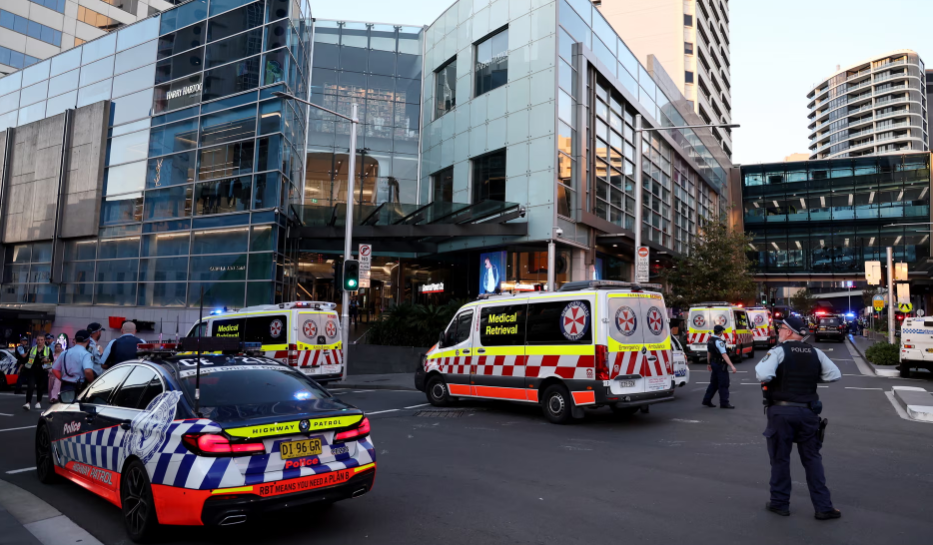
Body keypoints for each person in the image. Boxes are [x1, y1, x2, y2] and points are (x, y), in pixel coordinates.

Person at [756, 315, 842, 520]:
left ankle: (780, 503)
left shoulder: (778, 351)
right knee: (812, 459)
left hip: (782, 413)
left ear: (788, 332)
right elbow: (834, 375)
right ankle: (823, 507)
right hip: (808, 413)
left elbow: (763, 375)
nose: (778, 332)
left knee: (780, 459)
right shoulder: (816, 352)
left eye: (780, 329)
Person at [701, 324, 737, 409]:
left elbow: (709, 353)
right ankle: (724, 403)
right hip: (720, 365)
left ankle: (707, 400)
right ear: (721, 332)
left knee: (714, 383)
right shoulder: (719, 341)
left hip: (714, 363)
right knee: (723, 383)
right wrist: (732, 366)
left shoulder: (710, 340)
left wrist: (709, 363)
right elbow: (724, 355)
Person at [52, 330, 96, 396]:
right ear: (88, 341)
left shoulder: (64, 353)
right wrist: (93, 383)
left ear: (75, 340)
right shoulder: (86, 354)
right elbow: (88, 371)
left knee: (65, 405)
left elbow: (54, 369)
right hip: (79, 387)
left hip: (65, 386)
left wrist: (63, 379)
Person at [23, 334, 53, 410]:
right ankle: (28, 403)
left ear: (44, 340)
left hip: (43, 370)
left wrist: (47, 360)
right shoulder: (32, 349)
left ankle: (38, 402)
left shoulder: (48, 350)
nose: (39, 341)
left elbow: (51, 359)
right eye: (38, 340)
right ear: (36, 340)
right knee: (31, 386)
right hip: (32, 370)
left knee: (40, 387)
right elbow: (26, 359)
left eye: (41, 340)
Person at [48, 336, 66, 403]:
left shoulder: (63, 355)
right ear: (54, 348)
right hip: (51, 373)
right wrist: (49, 370)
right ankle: (51, 397)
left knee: (57, 385)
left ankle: (54, 397)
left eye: (59, 347)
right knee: (50, 387)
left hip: (59, 373)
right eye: (56, 347)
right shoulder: (52, 355)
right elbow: (48, 363)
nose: (58, 348)